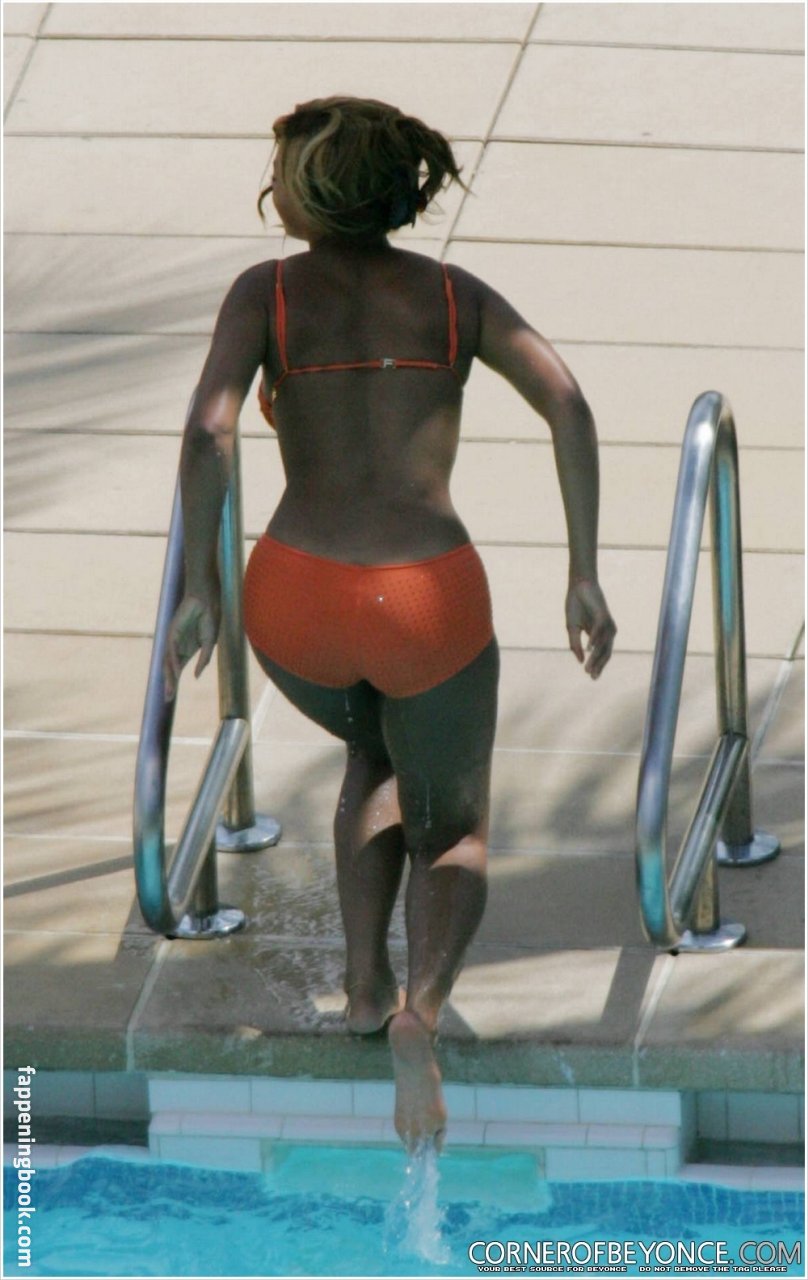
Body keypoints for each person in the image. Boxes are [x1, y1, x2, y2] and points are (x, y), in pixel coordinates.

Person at [163, 96, 616, 1151]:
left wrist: (201, 587)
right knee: (451, 826)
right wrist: (582, 571)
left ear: (308, 194)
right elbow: (567, 401)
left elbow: (208, 430)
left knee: (372, 747)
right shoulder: (453, 298)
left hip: (299, 598)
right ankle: (421, 1006)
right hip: (424, 600)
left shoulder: (266, 293)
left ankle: (363, 983)